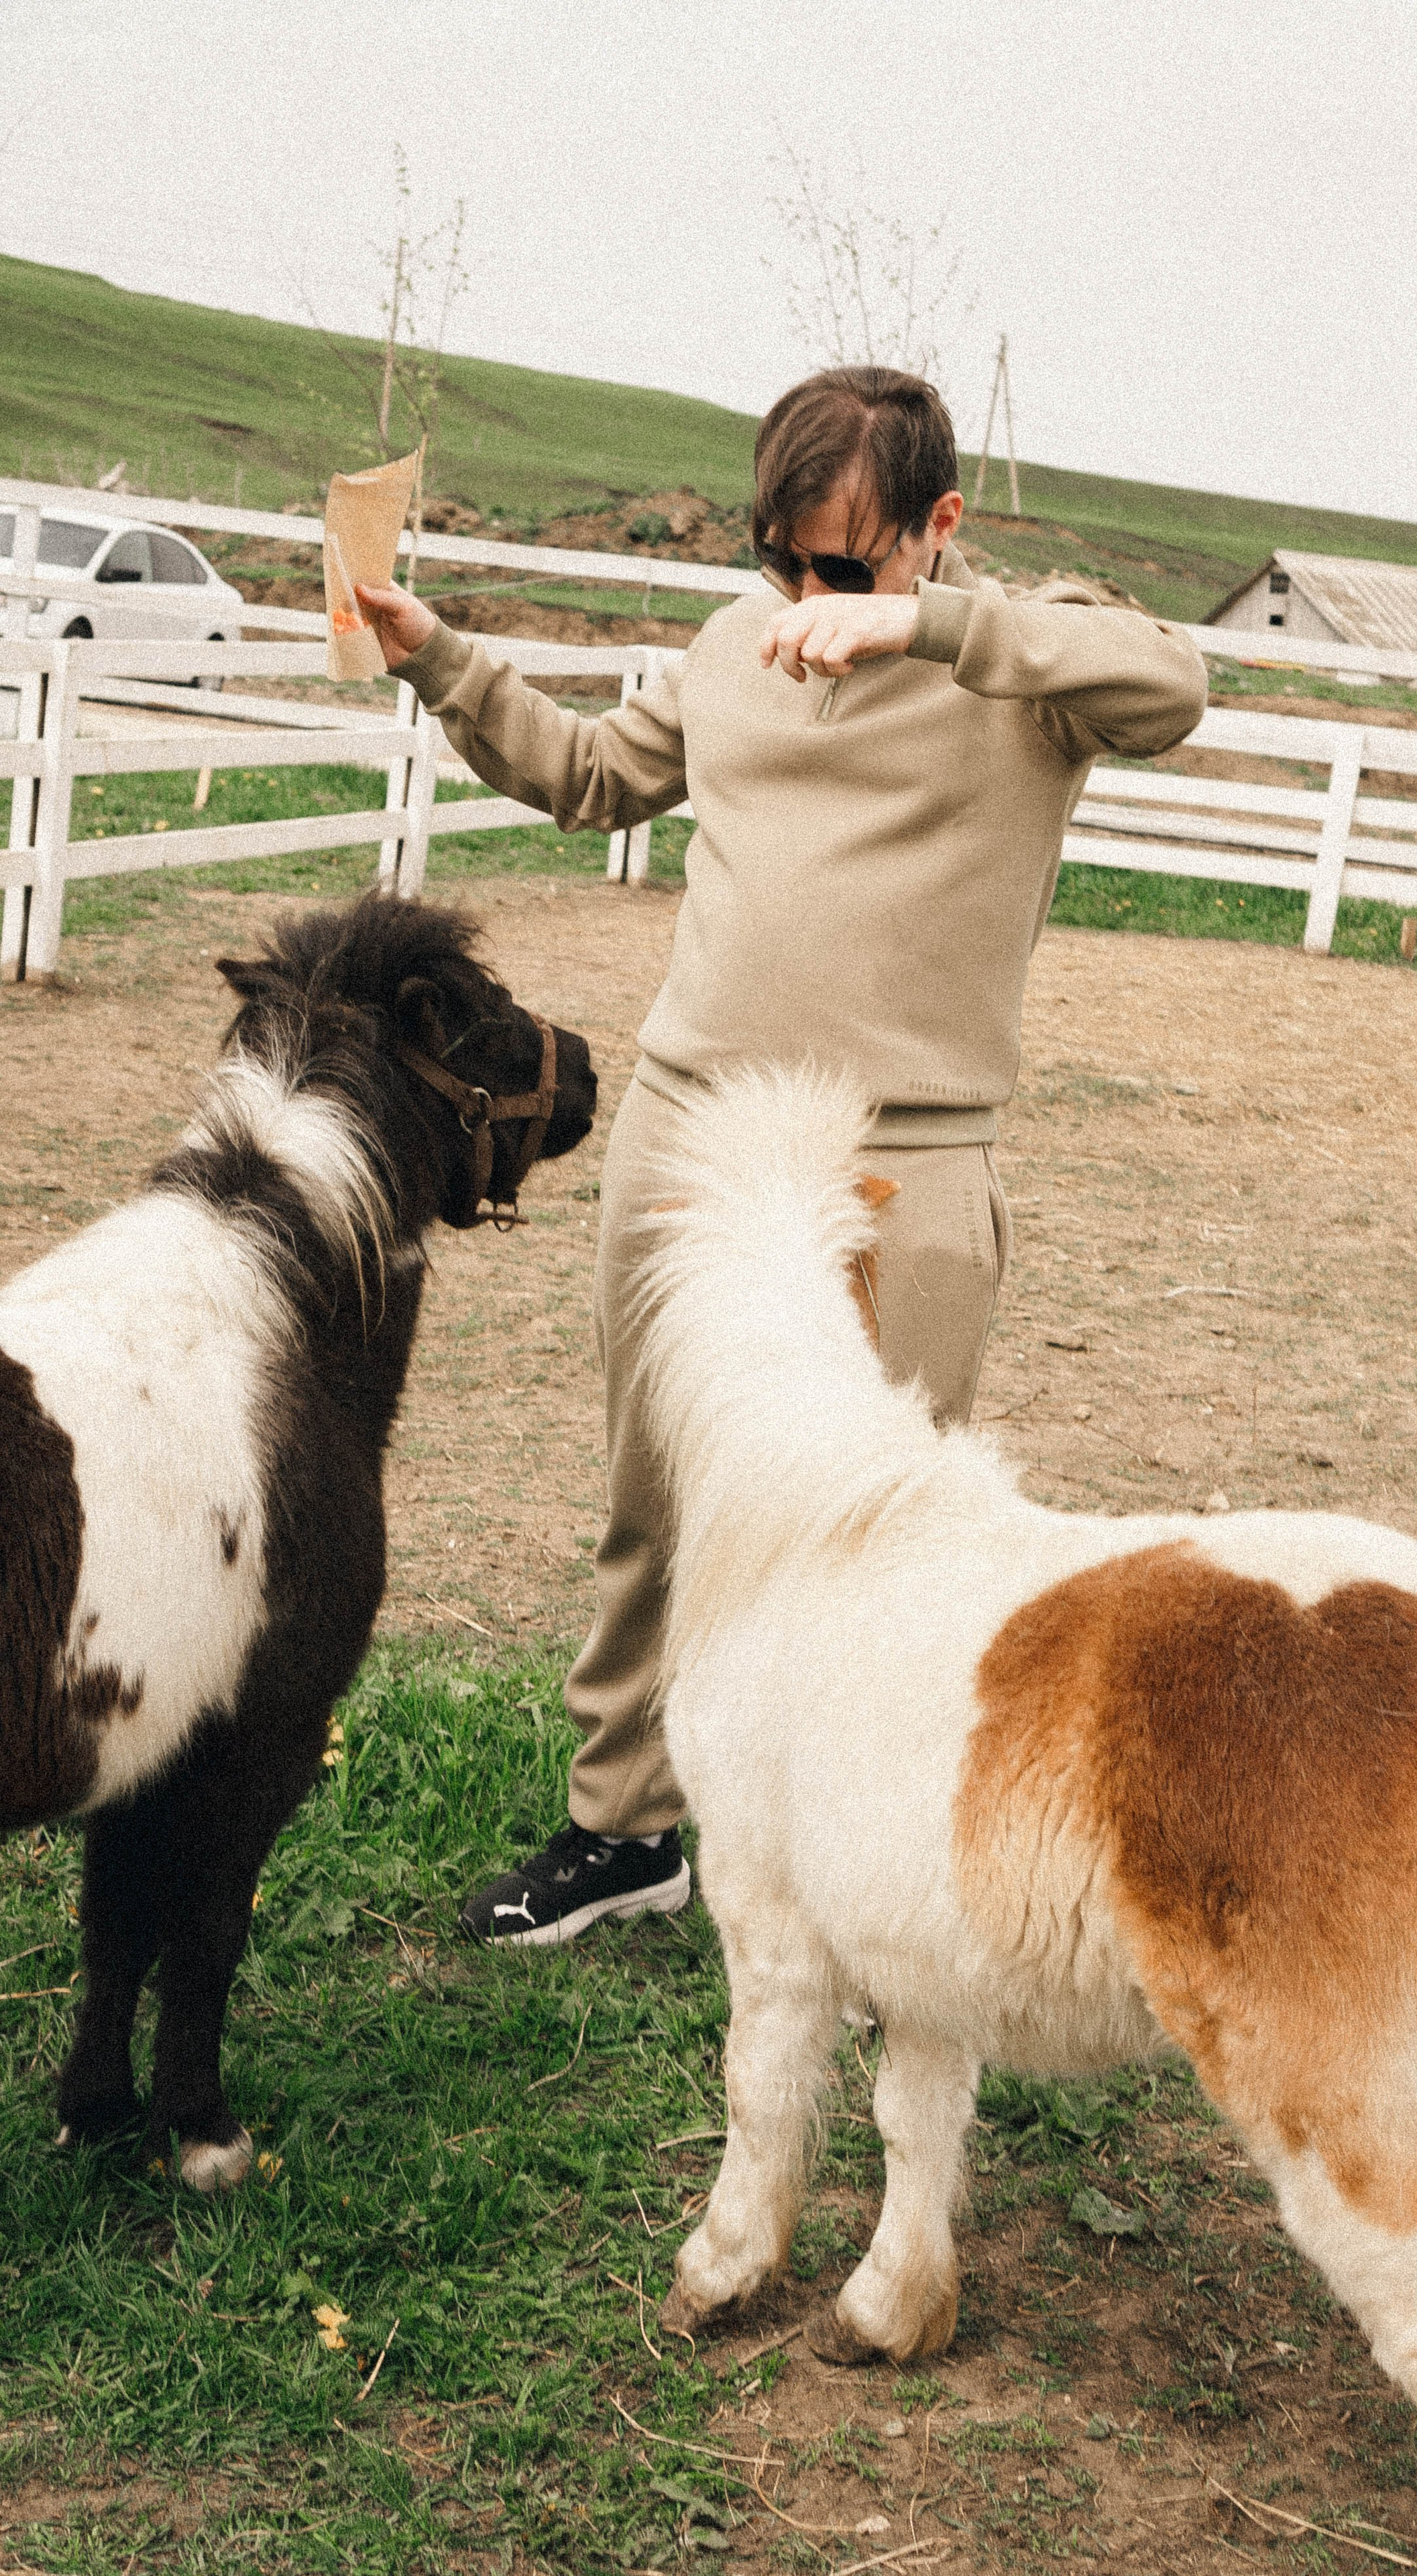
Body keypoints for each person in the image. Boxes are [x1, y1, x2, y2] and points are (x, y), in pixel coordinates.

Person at [355, 365, 1207, 1947]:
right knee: (657, 1495)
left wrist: (927, 627)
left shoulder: (1026, 660)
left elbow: (1174, 687)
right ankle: (625, 1830)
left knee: (880, 1537)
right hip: (692, 1139)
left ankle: (857, 1863)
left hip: (906, 1162)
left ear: (939, 528)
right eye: (781, 561)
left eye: (844, 565)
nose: (805, 600)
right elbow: (592, 776)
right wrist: (445, 663)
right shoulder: (726, 647)